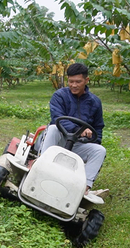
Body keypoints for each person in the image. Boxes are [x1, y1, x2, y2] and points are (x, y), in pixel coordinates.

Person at [40, 63, 107, 199]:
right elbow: (58, 118)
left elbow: (98, 127)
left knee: (100, 150)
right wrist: (78, 129)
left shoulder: (95, 102)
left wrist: (94, 139)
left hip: (77, 144)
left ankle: (83, 188)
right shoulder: (59, 96)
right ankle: (41, 167)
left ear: (86, 81)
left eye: (78, 82)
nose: (74, 85)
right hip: (58, 141)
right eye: (71, 81)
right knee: (53, 127)